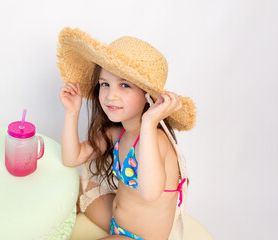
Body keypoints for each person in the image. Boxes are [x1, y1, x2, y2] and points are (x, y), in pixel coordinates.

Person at [58, 27, 196, 240]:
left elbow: (150, 193)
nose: (111, 96)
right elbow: (71, 158)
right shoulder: (116, 133)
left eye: (124, 85)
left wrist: (150, 122)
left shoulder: (156, 140)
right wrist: (72, 112)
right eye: (105, 84)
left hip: (139, 237)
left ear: (147, 96)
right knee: (68, 188)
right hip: (114, 219)